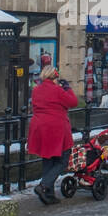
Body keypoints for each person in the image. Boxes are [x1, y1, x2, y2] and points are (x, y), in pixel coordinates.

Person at [29, 65, 77, 205]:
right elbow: (73, 102)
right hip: (55, 128)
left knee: (48, 159)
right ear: (55, 78)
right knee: (63, 160)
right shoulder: (57, 90)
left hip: (40, 128)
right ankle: (44, 186)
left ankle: (48, 194)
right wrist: (67, 88)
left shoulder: (36, 90)